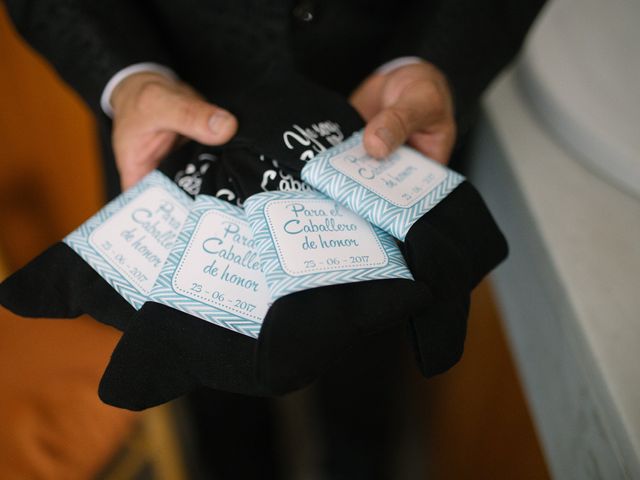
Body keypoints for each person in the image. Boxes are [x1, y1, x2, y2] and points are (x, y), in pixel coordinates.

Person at [5, 1, 546, 478]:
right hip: (170, 131)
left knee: (369, 377)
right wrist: (126, 79)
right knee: (211, 394)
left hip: (384, 126)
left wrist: (436, 60)